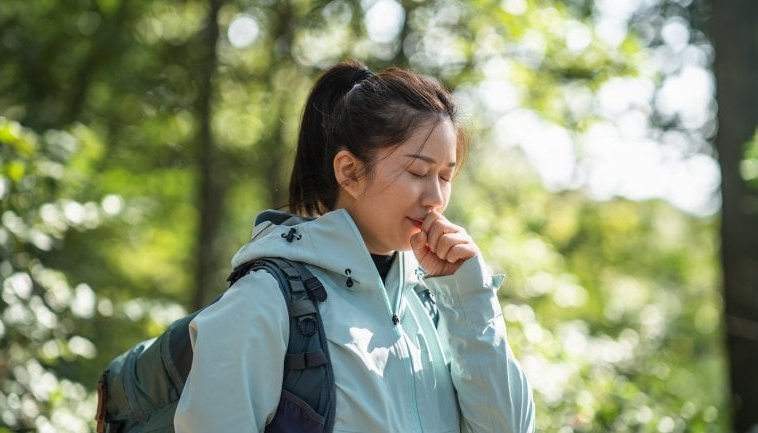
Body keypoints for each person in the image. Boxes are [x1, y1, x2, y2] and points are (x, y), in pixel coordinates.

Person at [174, 60, 535, 433]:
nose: (435, 197)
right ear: (349, 172)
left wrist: (469, 299)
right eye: (417, 172)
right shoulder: (264, 300)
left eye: (446, 176)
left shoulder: (438, 302)